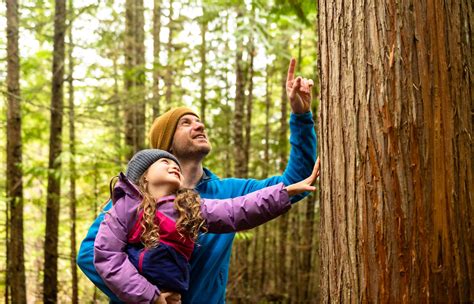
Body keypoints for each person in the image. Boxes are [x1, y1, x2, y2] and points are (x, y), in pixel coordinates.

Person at [77, 58, 317, 303]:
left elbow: (298, 182)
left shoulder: (230, 192)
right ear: (166, 145)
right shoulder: (137, 199)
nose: (199, 125)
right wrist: (150, 295)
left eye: (199, 120)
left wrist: (301, 116)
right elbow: (90, 254)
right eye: (186, 123)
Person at [94, 149, 320, 303]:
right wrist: (150, 296)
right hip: (141, 296)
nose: (174, 165)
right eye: (164, 162)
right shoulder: (125, 208)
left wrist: (283, 193)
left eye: (176, 164)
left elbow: (236, 210)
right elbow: (106, 256)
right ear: (143, 177)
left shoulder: (188, 207)